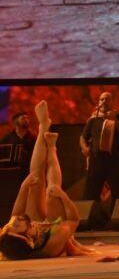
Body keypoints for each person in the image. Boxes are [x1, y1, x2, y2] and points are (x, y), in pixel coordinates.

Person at [0, 101, 91, 260]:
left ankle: (43, 125)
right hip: (53, 228)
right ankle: (52, 147)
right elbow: (73, 219)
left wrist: (24, 186)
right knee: (52, 191)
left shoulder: (10, 235)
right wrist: (63, 196)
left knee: (35, 179)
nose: (13, 221)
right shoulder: (52, 244)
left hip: (36, 226)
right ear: (28, 237)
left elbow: (16, 214)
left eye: (9, 226)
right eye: (15, 226)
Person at [79, 91, 119, 202]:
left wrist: (114, 120)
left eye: (107, 99)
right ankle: (93, 218)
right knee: (90, 194)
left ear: (112, 102)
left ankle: (118, 218)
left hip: (115, 160)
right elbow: (83, 137)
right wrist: (84, 148)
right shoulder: (93, 118)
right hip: (97, 160)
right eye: (101, 99)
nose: (104, 101)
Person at [1, 112, 36, 176]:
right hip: (11, 174)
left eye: (27, 118)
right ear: (15, 122)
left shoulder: (33, 138)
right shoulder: (7, 139)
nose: (26, 120)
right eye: (23, 118)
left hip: (29, 172)